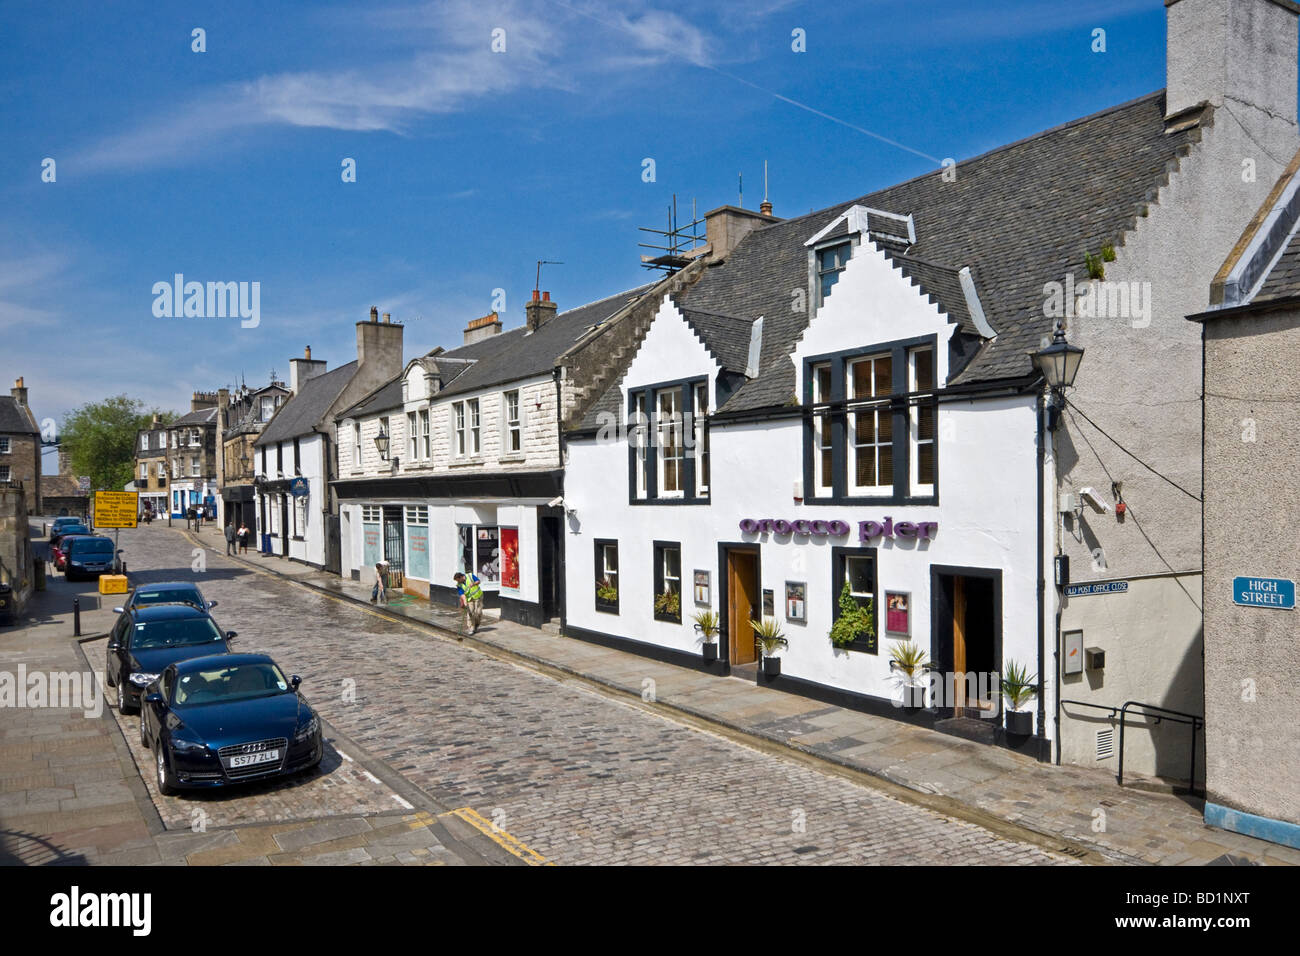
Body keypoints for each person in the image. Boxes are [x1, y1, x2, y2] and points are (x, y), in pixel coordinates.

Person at [454, 571, 483, 636]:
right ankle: (471, 628)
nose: (458, 582)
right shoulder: (459, 585)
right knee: (470, 613)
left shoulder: (470, 576)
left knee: (478, 612)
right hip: (469, 599)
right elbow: (462, 594)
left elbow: (479, 581)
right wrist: (464, 602)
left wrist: (474, 583)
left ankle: (476, 625)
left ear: (461, 577)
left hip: (478, 597)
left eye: (458, 580)